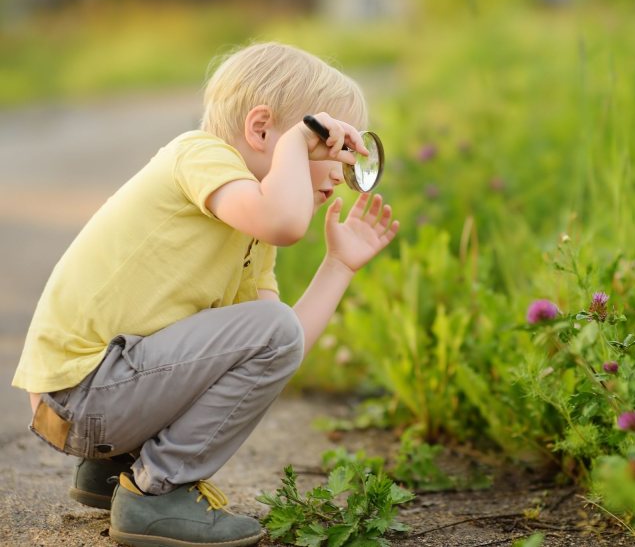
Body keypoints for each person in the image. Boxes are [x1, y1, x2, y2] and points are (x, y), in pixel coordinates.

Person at [11, 41, 399, 547]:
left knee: (268, 331)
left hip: (94, 400)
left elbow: (282, 345)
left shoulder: (249, 231)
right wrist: (293, 148)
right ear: (262, 130)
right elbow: (284, 223)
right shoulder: (199, 155)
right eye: (330, 148)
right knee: (268, 328)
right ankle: (156, 491)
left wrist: (338, 265)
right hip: (80, 396)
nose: (343, 173)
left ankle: (113, 469)